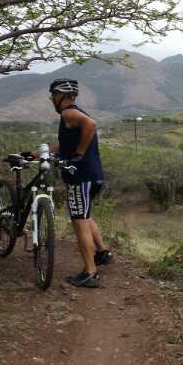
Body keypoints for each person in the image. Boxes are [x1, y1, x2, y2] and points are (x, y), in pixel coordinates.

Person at [45, 78, 112, 288]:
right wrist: (38, 152)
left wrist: (78, 154)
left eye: (52, 96)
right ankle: (102, 252)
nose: (51, 100)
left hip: (80, 177)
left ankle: (90, 272)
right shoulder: (75, 114)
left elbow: (91, 125)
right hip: (93, 175)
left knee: (79, 221)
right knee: (85, 215)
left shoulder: (68, 113)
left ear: (59, 96)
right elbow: (63, 144)